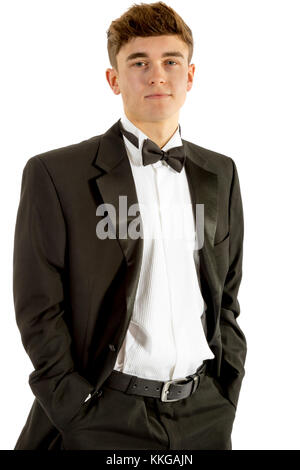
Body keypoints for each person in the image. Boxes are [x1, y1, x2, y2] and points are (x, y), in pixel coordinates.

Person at [13, 1, 247, 450]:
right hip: (105, 413)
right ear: (114, 79)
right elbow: (38, 307)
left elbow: (228, 296)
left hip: (204, 415)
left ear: (190, 76)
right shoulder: (56, 174)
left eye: (170, 61)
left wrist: (226, 392)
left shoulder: (222, 173)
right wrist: (75, 409)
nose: (157, 74)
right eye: (139, 62)